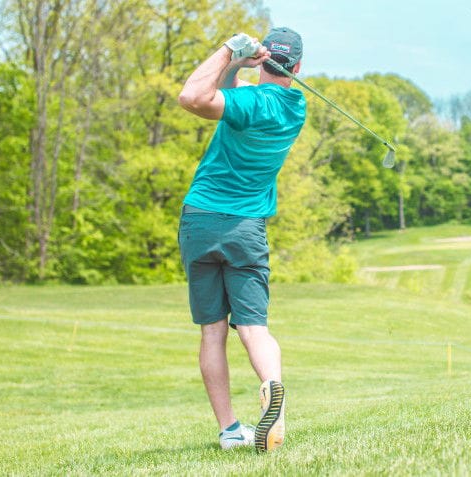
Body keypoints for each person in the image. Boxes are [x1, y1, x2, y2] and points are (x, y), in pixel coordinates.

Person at [176, 27, 306, 452]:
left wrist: (230, 49)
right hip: (246, 229)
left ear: (265, 58)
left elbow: (192, 96)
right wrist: (236, 68)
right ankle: (273, 392)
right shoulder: (296, 108)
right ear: (298, 68)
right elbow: (240, 99)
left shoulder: (250, 103)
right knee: (254, 327)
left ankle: (231, 430)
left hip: (201, 220)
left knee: (212, 332)